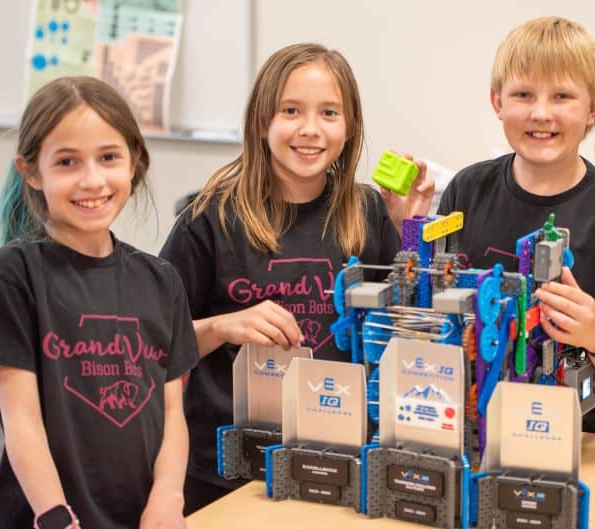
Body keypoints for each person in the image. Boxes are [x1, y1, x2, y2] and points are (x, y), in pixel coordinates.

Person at [159, 42, 431, 513]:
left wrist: (410, 235)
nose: (310, 129)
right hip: (225, 469)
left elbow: (407, 335)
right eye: (291, 110)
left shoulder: (367, 212)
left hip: (341, 459)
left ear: (350, 130)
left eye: (329, 113)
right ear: (262, 122)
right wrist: (224, 325)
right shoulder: (210, 219)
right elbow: (154, 348)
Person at [0, 76, 199, 529]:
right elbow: (21, 420)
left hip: (142, 514)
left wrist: (169, 497)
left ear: (135, 161)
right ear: (32, 171)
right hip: (48, 516)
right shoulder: (9, 276)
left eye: (109, 157)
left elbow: (172, 412)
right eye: (67, 162)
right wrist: (53, 513)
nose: (92, 180)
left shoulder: (162, 281)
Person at [435, 17, 595, 437]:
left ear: (594, 107)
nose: (540, 113)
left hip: (583, 438)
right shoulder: (466, 190)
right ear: (497, 101)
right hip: (478, 425)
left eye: (562, 96)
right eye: (523, 94)